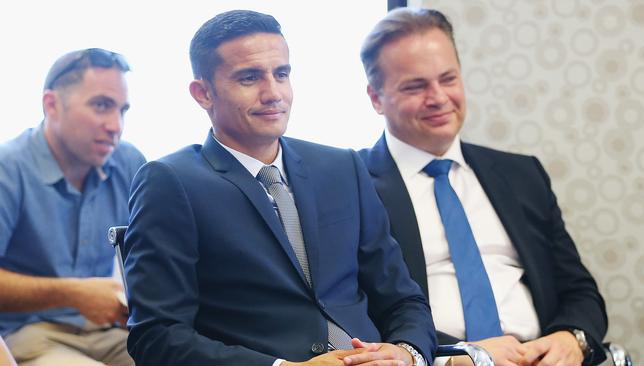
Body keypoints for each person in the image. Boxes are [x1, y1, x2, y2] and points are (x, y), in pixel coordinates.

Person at [123, 9, 435, 366]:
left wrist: (406, 353)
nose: (273, 93)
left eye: (281, 74)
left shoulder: (342, 167)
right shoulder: (169, 182)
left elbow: (402, 299)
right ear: (203, 93)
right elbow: (158, 336)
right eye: (249, 78)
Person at [358, 7, 607, 366]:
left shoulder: (521, 174)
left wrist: (573, 338)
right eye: (416, 86)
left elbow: (580, 291)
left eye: (448, 79)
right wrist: (468, 356)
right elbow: (358, 309)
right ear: (376, 98)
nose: (438, 97)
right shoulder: (353, 184)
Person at [0, 48, 145, 365]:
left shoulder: (129, 162)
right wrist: (73, 294)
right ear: (51, 104)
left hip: (109, 330)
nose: (115, 125)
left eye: (122, 110)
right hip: (28, 334)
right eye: (102, 106)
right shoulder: (8, 169)